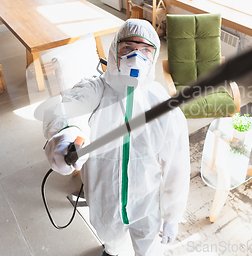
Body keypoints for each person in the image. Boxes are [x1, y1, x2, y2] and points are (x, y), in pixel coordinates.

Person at [43, 19, 190, 256]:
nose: (136, 56)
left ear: (154, 56)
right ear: (114, 51)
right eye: (128, 48)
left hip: (146, 203)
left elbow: (177, 167)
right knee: (112, 244)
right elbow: (71, 107)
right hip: (104, 200)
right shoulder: (96, 89)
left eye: (145, 50)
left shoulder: (164, 107)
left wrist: (173, 215)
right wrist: (67, 133)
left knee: (148, 249)